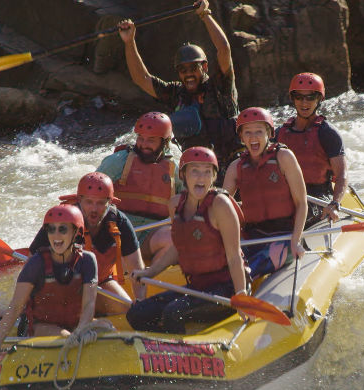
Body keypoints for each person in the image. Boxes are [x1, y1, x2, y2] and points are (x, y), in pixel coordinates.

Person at [126, 147, 247, 334]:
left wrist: (241, 294)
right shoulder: (175, 204)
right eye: (195, 171)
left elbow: (234, 256)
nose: (201, 177)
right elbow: (179, 247)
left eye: (207, 172)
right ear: (183, 175)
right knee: (137, 313)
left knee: (174, 312)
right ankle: (156, 350)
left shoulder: (220, 205)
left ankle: (180, 353)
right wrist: (151, 272)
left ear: (214, 177)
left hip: (226, 288)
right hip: (197, 287)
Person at [117, 0, 240, 166]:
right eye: (183, 70)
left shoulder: (220, 86)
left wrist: (205, 15)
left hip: (231, 163)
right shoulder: (176, 93)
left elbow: (224, 49)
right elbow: (142, 79)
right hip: (196, 168)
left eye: (193, 68)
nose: (188, 74)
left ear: (204, 66)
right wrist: (129, 41)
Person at [0, 205, 110, 354]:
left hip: (75, 324)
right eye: (51, 229)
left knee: (108, 329)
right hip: (40, 327)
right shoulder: (36, 263)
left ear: (76, 232)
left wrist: (81, 330)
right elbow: (16, 306)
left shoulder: (88, 260)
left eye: (62, 229)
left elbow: (89, 304)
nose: (56, 235)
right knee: (64, 337)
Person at [32, 172, 147, 315]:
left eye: (100, 203)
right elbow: (33, 264)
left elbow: (137, 270)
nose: (94, 209)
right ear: (79, 200)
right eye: (89, 202)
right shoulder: (62, 220)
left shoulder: (120, 222)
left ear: (109, 202)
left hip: (100, 281)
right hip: (64, 284)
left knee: (126, 310)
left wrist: (141, 303)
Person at [222, 107, 308, 280]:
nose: (253, 137)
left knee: (249, 270)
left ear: (269, 133)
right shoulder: (236, 167)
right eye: (248, 133)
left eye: (259, 132)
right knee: (223, 269)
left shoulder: (284, 157)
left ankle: (236, 290)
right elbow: (220, 207)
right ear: (241, 137)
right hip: (253, 237)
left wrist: (296, 240)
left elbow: (301, 203)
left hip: (284, 236)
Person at [95, 112, 178, 265]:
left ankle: (148, 279)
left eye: (151, 140)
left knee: (175, 238)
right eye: (141, 138)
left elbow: (189, 202)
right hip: (119, 231)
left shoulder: (174, 169)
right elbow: (91, 189)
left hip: (150, 234)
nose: (143, 144)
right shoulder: (119, 161)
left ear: (165, 142)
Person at [275, 73, 348, 226]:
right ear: (293, 99)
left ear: (319, 100)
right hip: (286, 194)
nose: (304, 102)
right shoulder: (279, 133)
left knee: (299, 215)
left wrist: (334, 203)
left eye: (310, 97)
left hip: (318, 195)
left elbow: (342, 174)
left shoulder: (327, 133)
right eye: (299, 97)